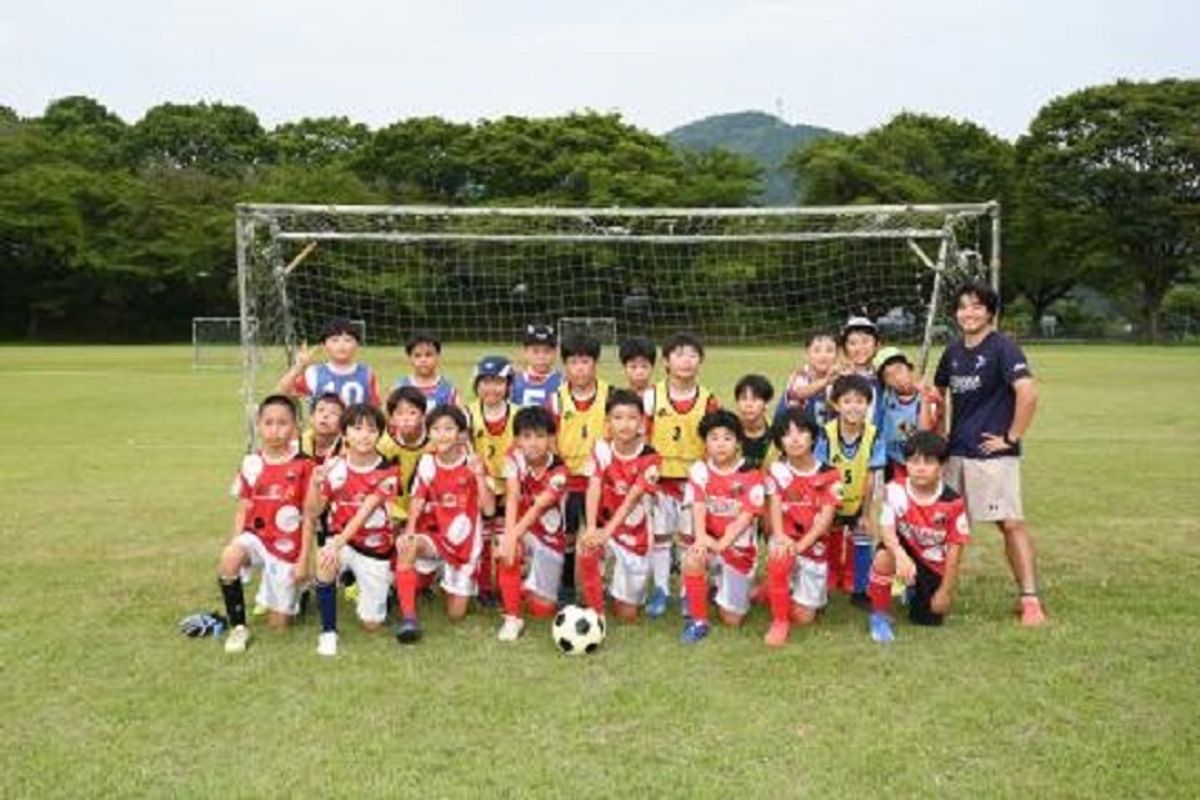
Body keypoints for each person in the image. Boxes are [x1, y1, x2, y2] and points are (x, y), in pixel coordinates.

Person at [931, 280, 1045, 626]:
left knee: (1009, 523)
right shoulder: (951, 351)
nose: (969, 312)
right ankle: (931, 590)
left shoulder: (1003, 348)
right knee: (941, 526)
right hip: (956, 452)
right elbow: (937, 395)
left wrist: (1011, 436)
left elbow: (1028, 393)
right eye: (963, 306)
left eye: (977, 306)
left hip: (992, 454)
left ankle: (1029, 599)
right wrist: (936, 435)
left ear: (990, 312)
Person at [216, 395, 314, 654]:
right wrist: (235, 544)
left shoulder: (305, 465)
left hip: (287, 548)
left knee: (279, 626)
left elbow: (310, 516)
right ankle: (238, 627)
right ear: (258, 425)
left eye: (283, 423)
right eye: (268, 423)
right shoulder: (251, 463)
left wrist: (304, 558)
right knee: (229, 557)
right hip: (256, 538)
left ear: (295, 427)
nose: (275, 430)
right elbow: (244, 507)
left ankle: (300, 594)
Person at [392, 405, 494, 643]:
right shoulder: (427, 462)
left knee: (455, 615)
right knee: (407, 546)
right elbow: (418, 499)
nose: (442, 434)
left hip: (463, 546)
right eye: (436, 429)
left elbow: (489, 509)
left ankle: (439, 576)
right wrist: (409, 531)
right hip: (435, 537)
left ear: (461, 433)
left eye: (449, 428)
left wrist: (479, 476)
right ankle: (409, 619)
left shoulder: (472, 463)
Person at [304, 404, 399, 656]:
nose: (364, 435)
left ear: (380, 434)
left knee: (372, 625)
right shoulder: (334, 466)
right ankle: (328, 632)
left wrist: (335, 543)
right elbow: (314, 511)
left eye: (371, 429)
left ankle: (386, 590)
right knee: (325, 561)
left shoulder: (387, 471)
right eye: (357, 428)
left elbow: (363, 514)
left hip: (374, 547)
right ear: (344, 433)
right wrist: (315, 484)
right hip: (342, 542)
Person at [866, 431, 970, 643]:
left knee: (928, 619)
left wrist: (945, 591)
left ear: (942, 466)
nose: (920, 468)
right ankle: (879, 615)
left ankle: (912, 589)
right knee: (884, 556)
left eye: (929, 462)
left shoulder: (953, 502)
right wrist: (901, 557)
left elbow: (955, 550)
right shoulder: (894, 489)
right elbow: (886, 530)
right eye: (914, 461)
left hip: (932, 561)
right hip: (904, 548)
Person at [644, 332, 720, 618]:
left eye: (692, 355)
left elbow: (715, 443)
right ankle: (661, 589)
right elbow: (644, 436)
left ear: (700, 361)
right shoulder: (652, 396)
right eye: (678, 354)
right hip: (661, 480)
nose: (685, 361)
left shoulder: (708, 400)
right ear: (666, 361)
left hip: (693, 484)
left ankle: (689, 592)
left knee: (691, 539)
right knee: (661, 537)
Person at [679, 410, 766, 643]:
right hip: (710, 542)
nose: (720, 444)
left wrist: (720, 544)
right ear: (705, 443)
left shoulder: (751, 473)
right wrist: (700, 539)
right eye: (714, 438)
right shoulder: (700, 471)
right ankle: (698, 620)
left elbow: (745, 517)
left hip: (738, 550)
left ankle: (738, 588)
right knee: (692, 558)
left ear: (738, 442)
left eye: (727, 438)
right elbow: (697, 506)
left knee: (732, 620)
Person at [578, 389, 662, 622]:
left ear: (642, 422)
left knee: (627, 614)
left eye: (632, 417)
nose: (625, 424)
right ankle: (596, 612)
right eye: (618, 417)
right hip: (606, 526)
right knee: (587, 549)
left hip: (635, 534)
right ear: (607, 422)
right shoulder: (601, 449)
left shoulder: (650, 457)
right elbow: (593, 487)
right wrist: (593, 527)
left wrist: (606, 532)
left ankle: (625, 590)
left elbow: (630, 500)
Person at [762, 408, 841, 647]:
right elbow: (774, 507)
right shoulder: (776, 470)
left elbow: (825, 521)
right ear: (779, 442)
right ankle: (779, 621)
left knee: (804, 618)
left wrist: (800, 546)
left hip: (812, 546)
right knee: (779, 555)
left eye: (801, 432)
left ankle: (775, 590)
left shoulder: (830, 474)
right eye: (787, 434)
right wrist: (781, 537)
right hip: (786, 540)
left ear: (813, 437)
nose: (794, 439)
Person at [494, 406, 570, 641]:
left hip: (548, 539)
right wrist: (509, 538)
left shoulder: (560, 471)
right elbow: (513, 496)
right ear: (517, 440)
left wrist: (511, 536)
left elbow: (538, 508)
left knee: (543, 610)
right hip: (522, 532)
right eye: (526, 436)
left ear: (551, 438)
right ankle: (512, 618)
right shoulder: (512, 457)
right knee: (509, 549)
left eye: (540, 436)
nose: (533, 443)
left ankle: (522, 587)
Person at [549, 333, 610, 605]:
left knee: (598, 533)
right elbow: (549, 439)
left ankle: (598, 583)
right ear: (565, 366)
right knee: (569, 533)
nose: (580, 368)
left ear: (595, 364)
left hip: (600, 479)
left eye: (585, 361)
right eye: (573, 362)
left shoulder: (611, 395)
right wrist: (560, 465)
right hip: (569, 480)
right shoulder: (556, 399)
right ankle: (566, 582)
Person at [815, 375, 886, 606]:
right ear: (836, 404)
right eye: (847, 401)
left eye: (860, 401)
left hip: (858, 501)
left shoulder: (874, 435)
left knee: (862, 539)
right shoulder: (826, 433)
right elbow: (820, 475)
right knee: (829, 538)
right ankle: (830, 578)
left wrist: (865, 513)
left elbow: (871, 477)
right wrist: (824, 508)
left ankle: (859, 587)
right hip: (831, 502)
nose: (854, 406)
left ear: (868, 405)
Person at [466, 355, 516, 606]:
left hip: (511, 486)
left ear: (508, 384)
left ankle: (506, 582)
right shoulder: (467, 414)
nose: (491, 388)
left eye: (498, 381)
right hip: (480, 484)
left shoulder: (517, 415)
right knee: (482, 536)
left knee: (504, 535)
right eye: (485, 381)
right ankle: (484, 586)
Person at [275, 317, 380, 408]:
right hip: (323, 431)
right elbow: (280, 393)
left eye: (348, 340)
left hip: (355, 430)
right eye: (335, 340)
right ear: (324, 346)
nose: (341, 345)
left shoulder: (366, 373)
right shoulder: (314, 373)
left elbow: (376, 407)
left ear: (357, 345)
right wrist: (298, 367)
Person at [873, 346, 942, 482]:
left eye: (899, 369)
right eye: (889, 375)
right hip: (894, 461)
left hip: (920, 461)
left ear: (910, 369)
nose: (897, 377)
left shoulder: (927, 396)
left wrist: (924, 399)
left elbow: (924, 430)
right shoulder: (886, 397)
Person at [775, 331, 839, 427]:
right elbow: (800, 393)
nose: (823, 356)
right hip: (796, 431)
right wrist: (826, 381)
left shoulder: (838, 377)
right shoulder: (800, 375)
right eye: (817, 351)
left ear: (837, 355)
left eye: (829, 351)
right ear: (807, 354)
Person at [396, 330, 460, 412]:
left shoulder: (449, 389)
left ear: (438, 356)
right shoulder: (400, 388)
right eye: (417, 356)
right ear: (410, 358)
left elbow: (458, 417)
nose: (423, 360)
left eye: (428, 355)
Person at [511, 323, 563, 407]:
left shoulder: (562, 383)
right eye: (535, 351)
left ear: (555, 352)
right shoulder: (515, 383)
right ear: (525, 352)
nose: (541, 357)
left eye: (547, 351)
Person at [733, 374, 777, 469]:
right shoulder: (728, 432)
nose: (749, 405)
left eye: (755, 399)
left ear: (766, 404)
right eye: (744, 399)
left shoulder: (778, 434)